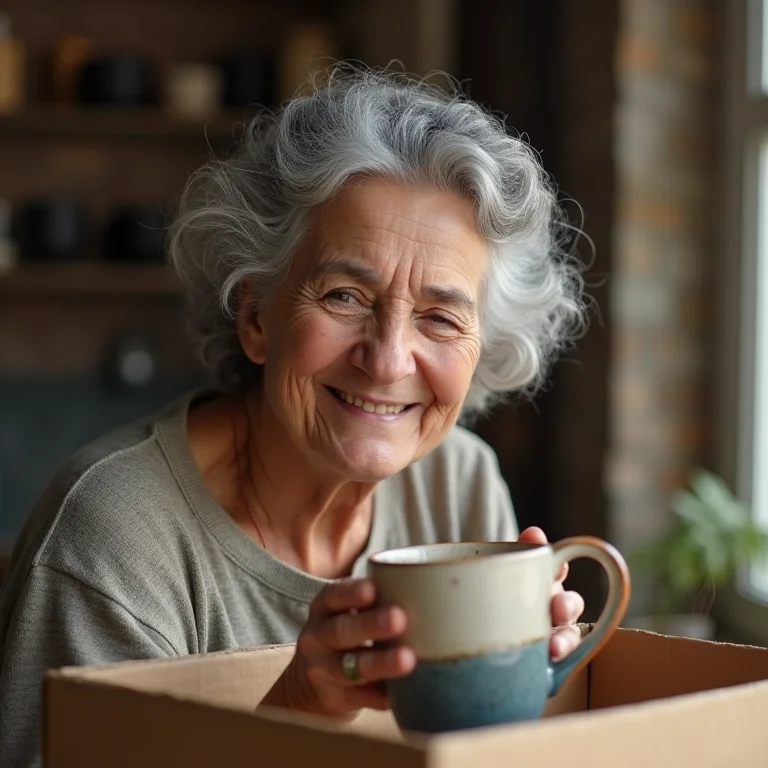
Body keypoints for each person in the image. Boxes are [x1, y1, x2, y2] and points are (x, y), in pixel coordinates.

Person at [0, 66, 587, 766]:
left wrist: (534, 688)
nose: (388, 359)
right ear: (255, 317)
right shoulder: (115, 539)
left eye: (439, 318)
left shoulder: (458, 486)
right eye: (344, 296)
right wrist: (297, 713)